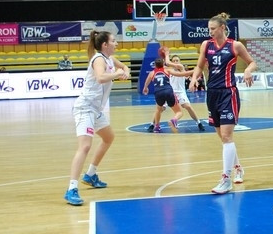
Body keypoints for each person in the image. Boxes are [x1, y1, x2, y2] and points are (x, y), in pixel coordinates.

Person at [189, 13, 257, 194]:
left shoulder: (235, 45)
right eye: (209, 28)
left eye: (212, 28)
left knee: (227, 137)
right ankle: (238, 167)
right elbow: (199, 66)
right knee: (223, 138)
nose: (209, 31)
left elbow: (252, 62)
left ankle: (225, 179)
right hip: (212, 94)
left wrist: (248, 71)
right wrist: (194, 78)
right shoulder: (206, 45)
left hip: (229, 93)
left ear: (222, 28)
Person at [64, 30, 130, 206]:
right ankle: (71, 189)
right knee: (85, 146)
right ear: (105, 45)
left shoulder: (109, 59)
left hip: (96, 109)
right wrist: (117, 74)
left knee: (109, 137)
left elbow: (124, 66)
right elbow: (101, 78)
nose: (117, 44)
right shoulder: (98, 59)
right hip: (85, 108)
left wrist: (126, 71)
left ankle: (91, 174)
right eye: (114, 41)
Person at [142, 54, 186, 134]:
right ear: (163, 64)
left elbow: (146, 83)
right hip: (168, 91)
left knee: (158, 110)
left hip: (158, 92)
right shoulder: (167, 70)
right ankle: (174, 120)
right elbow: (179, 74)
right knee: (179, 112)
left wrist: (145, 88)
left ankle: (156, 127)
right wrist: (192, 72)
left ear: (155, 65)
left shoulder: (152, 73)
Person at [167, 53, 206, 132]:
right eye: (174, 61)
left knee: (188, 106)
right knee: (161, 108)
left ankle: (198, 123)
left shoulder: (181, 68)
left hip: (181, 93)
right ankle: (153, 124)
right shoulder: (170, 70)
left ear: (180, 62)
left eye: (177, 60)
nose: (175, 62)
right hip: (171, 93)